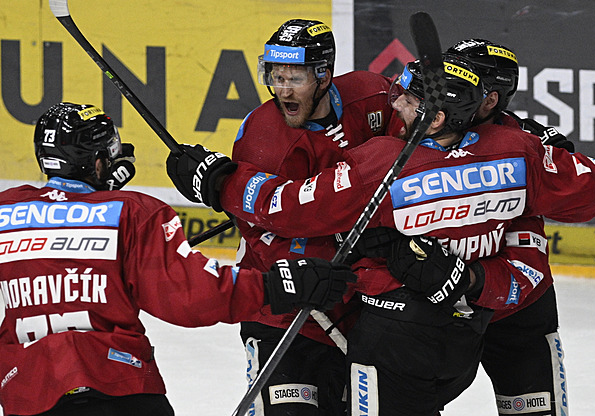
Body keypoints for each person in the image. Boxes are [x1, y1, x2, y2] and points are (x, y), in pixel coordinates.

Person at [180, 52, 595, 415]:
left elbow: (288, 209)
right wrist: (543, 147)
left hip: (394, 333)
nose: (396, 106)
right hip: (465, 334)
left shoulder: (381, 165)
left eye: (407, 99)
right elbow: (592, 190)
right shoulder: (516, 150)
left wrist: (220, 181)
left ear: (437, 116)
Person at [0, 102, 357, 416]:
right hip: (119, 387)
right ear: (97, 160)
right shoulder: (132, 212)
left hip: (28, 392)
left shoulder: (6, 211)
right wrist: (274, 287)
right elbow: (191, 294)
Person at [168, 18, 403, 415]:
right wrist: (326, 263)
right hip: (283, 312)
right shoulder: (263, 138)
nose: (282, 90)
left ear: (325, 75)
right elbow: (267, 234)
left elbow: (421, 145)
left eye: (295, 78)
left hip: (362, 310)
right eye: (276, 77)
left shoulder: (372, 94)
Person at [447, 38, 574, 415]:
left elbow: (571, 184)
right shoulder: (416, 127)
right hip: (434, 301)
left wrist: (558, 163)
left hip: (518, 306)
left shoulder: (528, 143)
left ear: (490, 99)